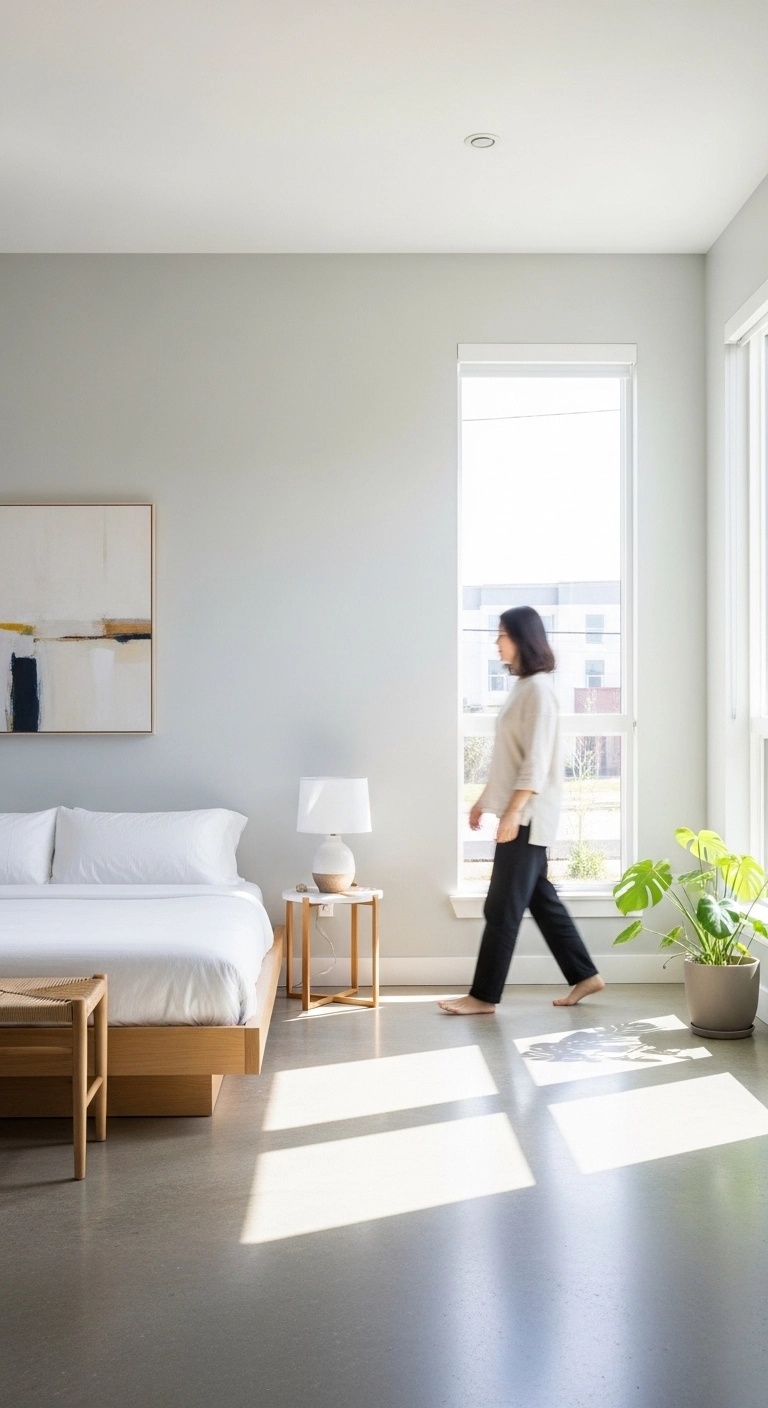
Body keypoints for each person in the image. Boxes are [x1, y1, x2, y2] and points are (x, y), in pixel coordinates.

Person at [440, 605, 605, 1015]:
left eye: (502, 634)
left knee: (502, 907)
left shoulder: (539, 692)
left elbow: (536, 760)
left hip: (530, 817)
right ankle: (585, 976)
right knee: (540, 900)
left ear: (522, 638)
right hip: (521, 812)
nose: (496, 641)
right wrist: (485, 801)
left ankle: (482, 997)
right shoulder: (523, 688)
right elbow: (509, 759)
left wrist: (513, 812)